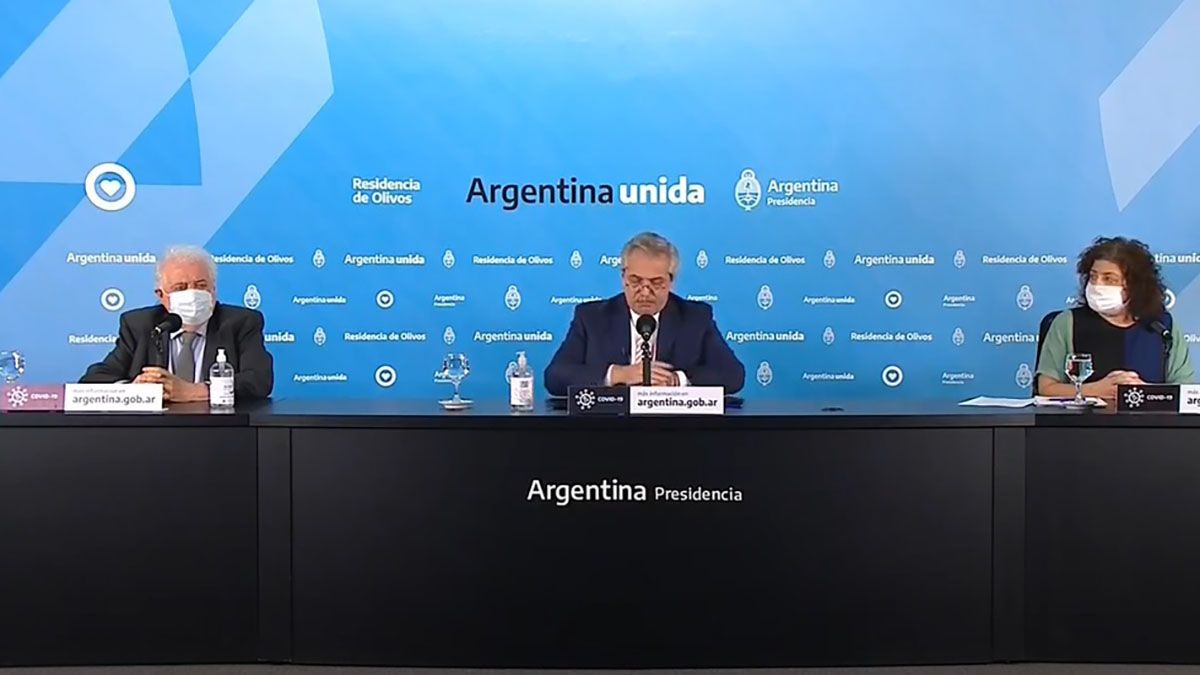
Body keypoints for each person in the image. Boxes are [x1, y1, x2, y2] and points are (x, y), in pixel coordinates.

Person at [545, 232, 745, 395]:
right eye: (635, 281)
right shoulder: (591, 318)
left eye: (656, 283)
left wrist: (676, 380)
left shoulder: (695, 317)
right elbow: (555, 377)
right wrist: (618, 375)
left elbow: (733, 375)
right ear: (623, 277)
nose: (645, 291)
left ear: (671, 281)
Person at [80, 245, 274, 401]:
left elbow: (259, 381)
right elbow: (92, 381)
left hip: (221, 432)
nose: (192, 294)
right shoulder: (140, 325)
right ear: (161, 296)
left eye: (201, 286)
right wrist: (133, 390)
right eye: (180, 288)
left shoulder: (241, 323)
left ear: (213, 290)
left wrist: (193, 391)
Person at [1036, 236, 1193, 399]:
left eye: (1109, 279)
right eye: (1093, 276)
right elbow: (1046, 387)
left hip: (1151, 423)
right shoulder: (1067, 322)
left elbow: (1185, 392)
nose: (1097, 285)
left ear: (1133, 286)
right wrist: (1095, 389)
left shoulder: (1162, 327)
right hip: (1085, 423)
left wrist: (1145, 393)